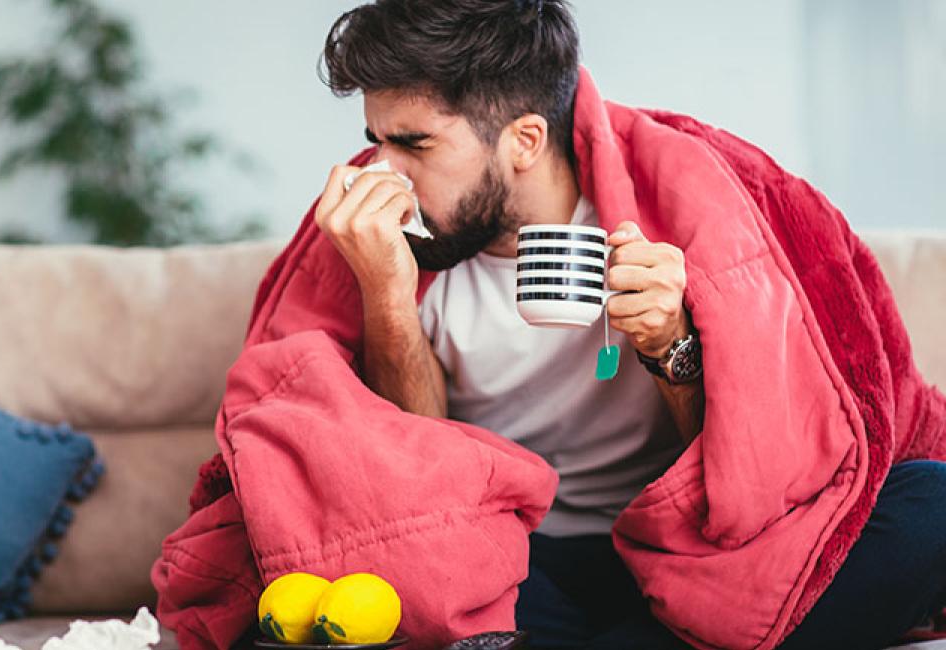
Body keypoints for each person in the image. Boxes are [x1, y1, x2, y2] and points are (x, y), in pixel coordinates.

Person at [311, 1, 946, 647]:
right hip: (518, 559)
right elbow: (417, 484)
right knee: (419, 576)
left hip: (688, 548)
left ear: (524, 140)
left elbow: (752, 471)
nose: (383, 171)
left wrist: (671, 342)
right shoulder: (404, 252)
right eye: (377, 141)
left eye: (413, 143)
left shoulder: (668, 213)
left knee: (933, 502)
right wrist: (385, 293)